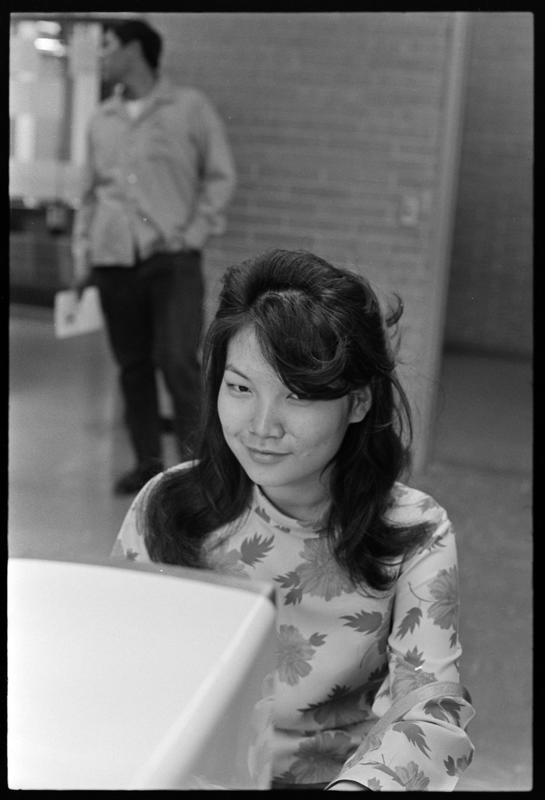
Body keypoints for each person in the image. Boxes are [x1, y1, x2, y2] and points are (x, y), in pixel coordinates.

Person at [112, 249, 475, 790]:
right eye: (240, 388)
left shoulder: (414, 531)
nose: (262, 426)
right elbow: (114, 672)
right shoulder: (167, 507)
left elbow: (429, 708)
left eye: (298, 396)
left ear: (357, 403)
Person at [71, 19, 236, 495]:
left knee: (177, 359)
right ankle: (147, 466)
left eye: (107, 46)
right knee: (133, 366)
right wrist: (83, 255)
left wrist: (194, 232)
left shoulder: (189, 108)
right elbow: (88, 193)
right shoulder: (101, 118)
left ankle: (200, 472)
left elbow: (220, 176)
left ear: (134, 50)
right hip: (112, 260)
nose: (101, 55)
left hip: (172, 259)